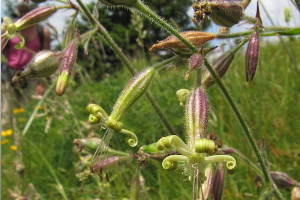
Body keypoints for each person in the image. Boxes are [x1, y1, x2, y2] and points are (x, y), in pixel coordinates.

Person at [1, 0, 51, 129]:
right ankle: (6, 139)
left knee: (27, 110)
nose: (21, 13)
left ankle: (22, 139)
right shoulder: (9, 28)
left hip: (31, 76)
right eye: (19, 10)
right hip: (9, 74)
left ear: (34, 13)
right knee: (6, 111)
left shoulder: (42, 31)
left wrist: (42, 83)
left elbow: (46, 59)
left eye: (24, 11)